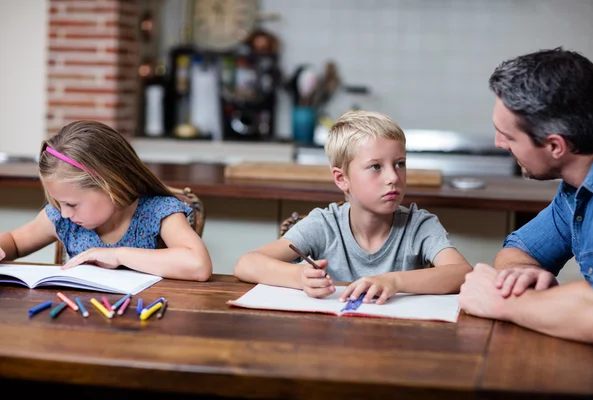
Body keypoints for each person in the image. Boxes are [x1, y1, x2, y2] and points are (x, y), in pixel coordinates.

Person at [234, 110, 472, 304]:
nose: (393, 177)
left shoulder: (419, 225)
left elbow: (462, 273)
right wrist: (299, 277)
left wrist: (394, 282)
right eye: (376, 167)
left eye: (399, 164)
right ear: (341, 178)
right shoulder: (324, 225)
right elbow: (247, 263)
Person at [458, 47, 593, 345]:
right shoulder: (577, 190)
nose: (498, 143)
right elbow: (520, 250)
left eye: (508, 136)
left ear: (555, 146)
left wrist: (502, 302)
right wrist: (521, 276)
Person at [0, 120, 212, 281]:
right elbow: (15, 242)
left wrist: (118, 255)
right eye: (59, 203)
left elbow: (198, 265)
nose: (64, 213)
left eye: (72, 204)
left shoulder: (158, 212)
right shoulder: (61, 217)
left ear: (111, 185)